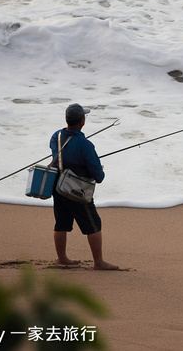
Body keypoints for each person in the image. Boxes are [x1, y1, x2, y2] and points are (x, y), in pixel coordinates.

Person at [50, 103, 118, 270]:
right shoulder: (85, 144)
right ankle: (99, 262)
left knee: (61, 223)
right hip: (76, 190)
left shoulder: (56, 137)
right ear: (82, 121)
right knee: (93, 224)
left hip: (58, 186)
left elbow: (62, 157)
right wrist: (100, 173)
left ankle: (62, 258)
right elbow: (97, 175)